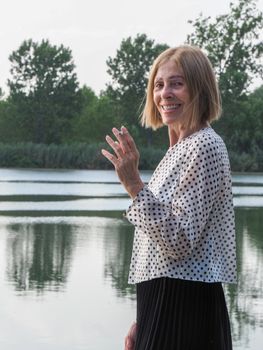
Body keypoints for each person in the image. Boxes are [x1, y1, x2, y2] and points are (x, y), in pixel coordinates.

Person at [101, 45, 237, 350]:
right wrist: (143, 320)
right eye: (158, 85)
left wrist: (134, 184)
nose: (165, 94)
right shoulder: (178, 151)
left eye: (177, 83)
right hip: (162, 306)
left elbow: (178, 240)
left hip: (184, 309)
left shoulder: (203, 146)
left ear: (199, 89)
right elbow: (159, 251)